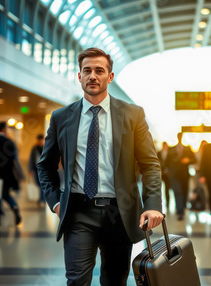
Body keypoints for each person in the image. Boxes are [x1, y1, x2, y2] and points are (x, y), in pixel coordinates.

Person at [37, 47, 163, 285]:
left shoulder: (132, 115)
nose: (93, 76)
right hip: (78, 212)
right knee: (76, 281)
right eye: (87, 70)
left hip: (120, 213)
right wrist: (55, 202)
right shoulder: (61, 117)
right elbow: (45, 166)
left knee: (115, 281)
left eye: (99, 70)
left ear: (110, 77)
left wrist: (153, 205)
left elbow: (150, 165)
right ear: (79, 76)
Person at [166, 133, 197, 220]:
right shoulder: (171, 149)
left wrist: (188, 160)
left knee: (184, 191)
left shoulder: (187, 148)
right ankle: (180, 211)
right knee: (177, 191)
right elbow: (167, 162)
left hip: (184, 174)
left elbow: (195, 159)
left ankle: (182, 207)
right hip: (174, 174)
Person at [28, 134, 45, 206]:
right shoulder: (35, 148)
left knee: (42, 184)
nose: (40, 142)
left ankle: (42, 200)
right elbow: (31, 159)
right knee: (38, 184)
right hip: (36, 169)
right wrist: (30, 169)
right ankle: (41, 198)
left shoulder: (46, 147)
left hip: (44, 169)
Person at [157, 141, 171, 210]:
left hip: (167, 174)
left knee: (167, 189)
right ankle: (159, 202)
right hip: (160, 173)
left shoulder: (170, 153)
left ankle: (168, 203)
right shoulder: (159, 153)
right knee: (158, 188)